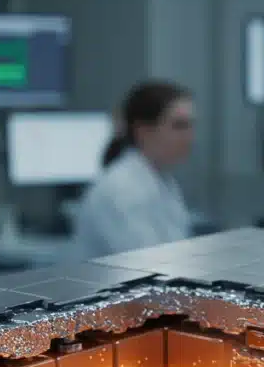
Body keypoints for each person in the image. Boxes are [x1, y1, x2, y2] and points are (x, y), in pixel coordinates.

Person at [69, 81, 195, 259]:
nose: (189, 136)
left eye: (191, 125)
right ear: (143, 131)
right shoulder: (120, 189)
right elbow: (150, 265)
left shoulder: (161, 179)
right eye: (179, 126)